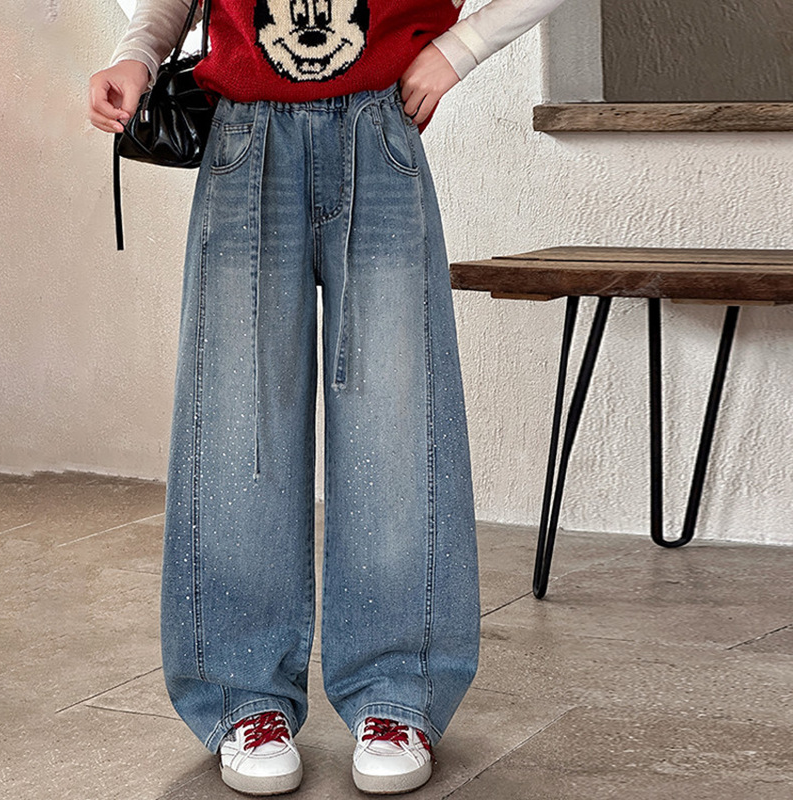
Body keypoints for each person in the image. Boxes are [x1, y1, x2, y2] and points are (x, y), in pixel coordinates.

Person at [88, 0, 566, 795]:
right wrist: (138, 51)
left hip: (379, 131)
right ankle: (242, 695)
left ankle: (397, 693)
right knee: (237, 426)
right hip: (243, 137)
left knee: (396, 423)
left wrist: (464, 48)